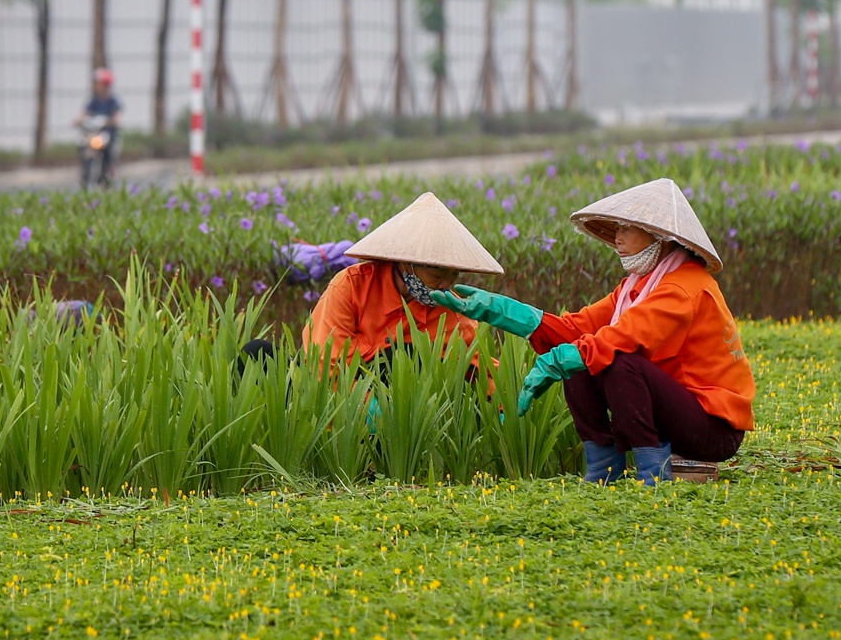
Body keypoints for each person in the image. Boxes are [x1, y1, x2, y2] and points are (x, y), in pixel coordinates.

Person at [433, 177, 754, 485]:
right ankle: (604, 467)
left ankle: (652, 474)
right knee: (584, 353)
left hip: (712, 429)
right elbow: (574, 329)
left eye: (627, 228)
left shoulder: (684, 287)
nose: (617, 238)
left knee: (613, 359)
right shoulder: (637, 287)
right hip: (677, 416)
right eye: (617, 228)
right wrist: (497, 309)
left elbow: (622, 337)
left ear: (660, 236)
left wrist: (560, 359)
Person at [301, 191, 501, 381]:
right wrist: (368, 403)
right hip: (346, 393)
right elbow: (324, 366)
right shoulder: (351, 287)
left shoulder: (453, 315)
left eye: (454, 275)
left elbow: (484, 374)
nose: (446, 285)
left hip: (407, 398)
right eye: (436, 275)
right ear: (406, 263)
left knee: (410, 355)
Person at [74, 68, 122, 188]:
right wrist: (78, 120)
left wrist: (113, 121)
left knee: (109, 152)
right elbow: (84, 114)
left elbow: (117, 116)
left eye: (100, 84)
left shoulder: (112, 101)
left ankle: (107, 174)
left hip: (107, 136)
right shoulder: (94, 101)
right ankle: (84, 174)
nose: (98, 86)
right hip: (94, 134)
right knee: (84, 146)